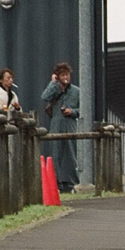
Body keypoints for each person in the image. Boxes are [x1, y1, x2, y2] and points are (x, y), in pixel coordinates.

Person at [41, 62, 81, 193]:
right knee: (55, 155)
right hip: (56, 124)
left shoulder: (76, 91)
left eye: (67, 75)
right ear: (58, 76)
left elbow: (83, 109)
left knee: (71, 155)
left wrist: (72, 111)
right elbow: (44, 97)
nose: (65, 77)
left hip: (70, 124)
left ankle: (73, 184)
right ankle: (56, 185)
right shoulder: (54, 89)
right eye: (63, 75)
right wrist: (53, 83)